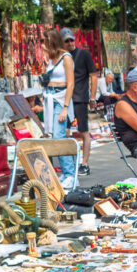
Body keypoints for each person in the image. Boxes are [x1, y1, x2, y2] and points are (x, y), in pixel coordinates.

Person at [41, 28, 77, 187]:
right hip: (50, 96)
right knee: (54, 136)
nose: (42, 44)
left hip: (61, 98)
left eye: (44, 41)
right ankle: (66, 172)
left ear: (51, 41)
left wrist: (65, 108)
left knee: (59, 136)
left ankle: (71, 174)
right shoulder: (51, 58)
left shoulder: (66, 58)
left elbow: (70, 84)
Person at [61, 28, 98, 176]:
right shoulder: (61, 56)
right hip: (64, 99)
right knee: (65, 131)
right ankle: (69, 163)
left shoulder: (83, 54)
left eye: (71, 40)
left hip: (79, 98)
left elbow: (93, 76)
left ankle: (85, 163)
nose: (70, 43)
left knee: (83, 131)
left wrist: (93, 96)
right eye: (67, 41)